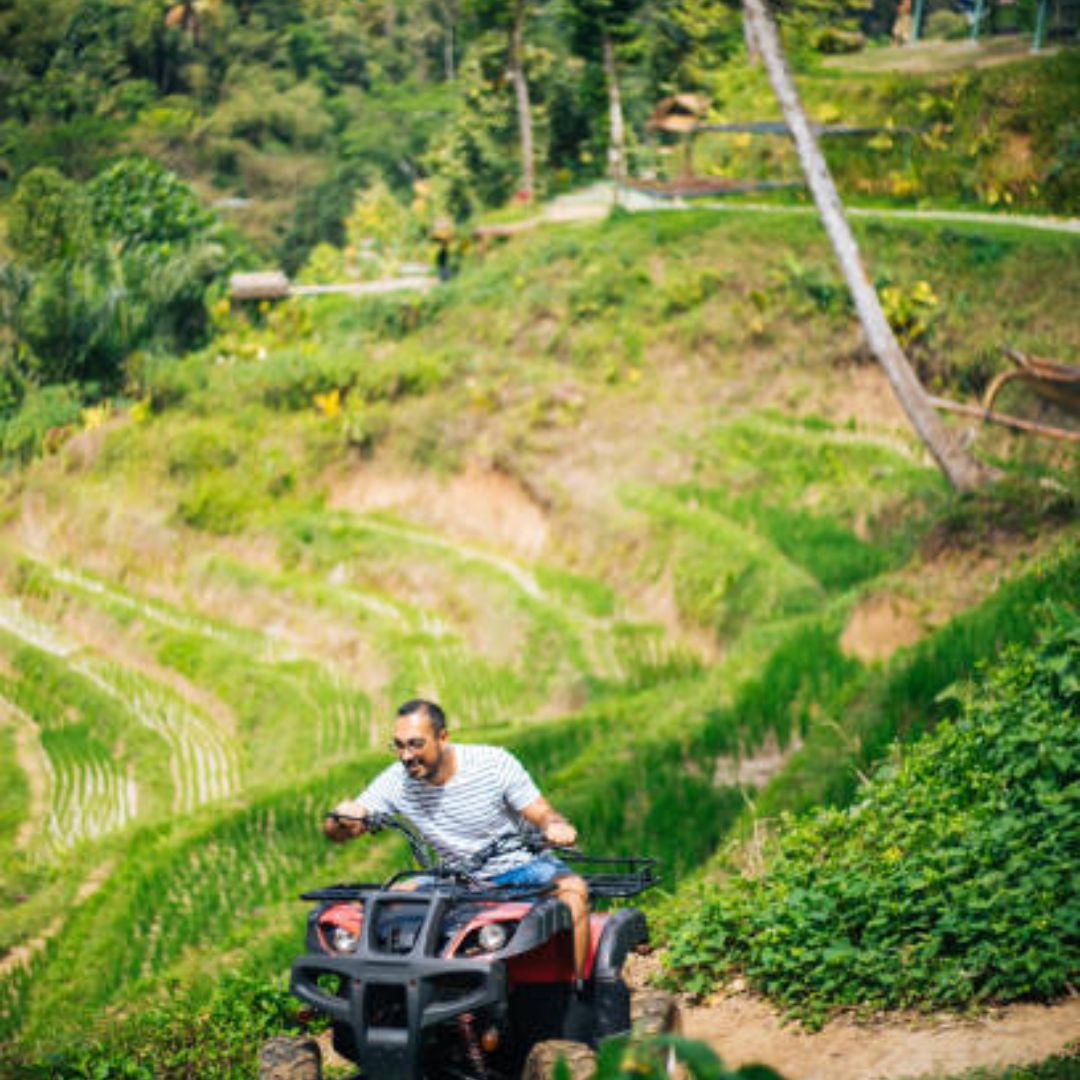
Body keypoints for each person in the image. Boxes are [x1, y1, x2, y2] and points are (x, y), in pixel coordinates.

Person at [326, 698, 590, 985]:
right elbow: (343, 830)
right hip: (457, 878)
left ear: (443, 737)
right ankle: (399, 996)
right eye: (398, 746)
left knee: (573, 892)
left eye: (415, 744)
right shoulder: (397, 782)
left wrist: (556, 827)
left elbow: (541, 812)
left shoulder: (492, 764)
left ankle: (578, 989)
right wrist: (341, 818)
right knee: (394, 899)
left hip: (520, 868)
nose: (405, 756)